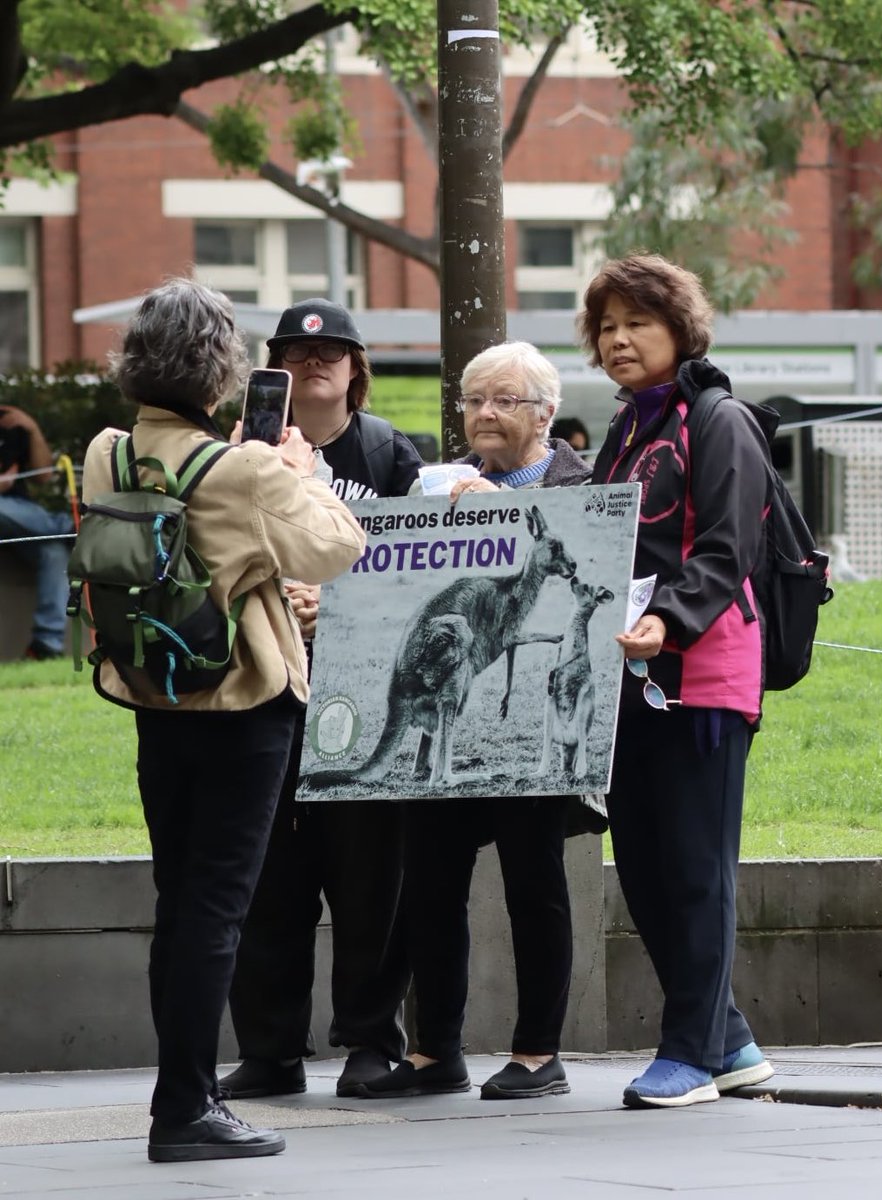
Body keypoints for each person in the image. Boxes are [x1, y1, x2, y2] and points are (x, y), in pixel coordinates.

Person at [81, 279, 365, 1161]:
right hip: (244, 705)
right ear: (220, 371)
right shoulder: (241, 470)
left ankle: (184, 1092)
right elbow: (339, 546)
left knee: (180, 903)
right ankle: (185, 1111)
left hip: (152, 695)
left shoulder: (106, 454)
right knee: (217, 909)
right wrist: (300, 471)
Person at [356, 341, 592, 1103]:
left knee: (534, 881)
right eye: (472, 400)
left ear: (545, 414)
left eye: (504, 400)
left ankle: (536, 1052)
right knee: (429, 882)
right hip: (442, 713)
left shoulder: (585, 491)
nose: (484, 414)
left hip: (534, 735)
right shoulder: (435, 488)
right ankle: (434, 1052)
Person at [580, 253, 775, 1108]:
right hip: (630, 678)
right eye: (607, 326)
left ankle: (689, 1054)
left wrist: (670, 619)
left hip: (701, 675)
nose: (619, 340)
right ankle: (726, 1040)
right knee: (646, 867)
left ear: (678, 329)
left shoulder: (717, 418)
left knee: (695, 867)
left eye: (638, 324)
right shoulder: (626, 428)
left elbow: (728, 550)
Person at [220, 299, 422, 1102]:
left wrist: (334, 605)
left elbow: (419, 569)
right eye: (297, 355)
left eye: (331, 352)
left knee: (371, 874)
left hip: (363, 691)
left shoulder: (389, 454)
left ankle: (374, 1041)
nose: (314, 365)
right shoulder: (241, 456)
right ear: (270, 369)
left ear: (356, 368)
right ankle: (269, 1048)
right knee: (268, 876)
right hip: (266, 685)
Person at [0, 405, 73, 659]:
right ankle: (70, 526)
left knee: (54, 553)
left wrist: (31, 427)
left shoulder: (9, 422)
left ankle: (45, 646)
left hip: (22, 518)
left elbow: (44, 475)